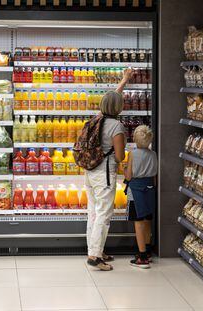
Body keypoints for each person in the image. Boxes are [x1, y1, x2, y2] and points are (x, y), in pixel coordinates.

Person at [85, 69, 132, 271]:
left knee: (93, 214)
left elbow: (112, 97)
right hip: (105, 174)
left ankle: (96, 249)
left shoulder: (97, 119)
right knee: (103, 214)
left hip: (90, 171)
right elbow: (120, 156)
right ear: (119, 107)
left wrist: (124, 81)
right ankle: (95, 256)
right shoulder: (117, 127)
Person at [124, 125, 157, 269]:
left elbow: (129, 175)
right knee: (147, 219)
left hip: (136, 190)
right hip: (150, 188)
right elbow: (155, 177)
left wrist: (125, 170)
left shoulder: (133, 154)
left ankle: (141, 256)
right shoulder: (153, 154)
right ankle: (148, 250)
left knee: (138, 221)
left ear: (134, 139)